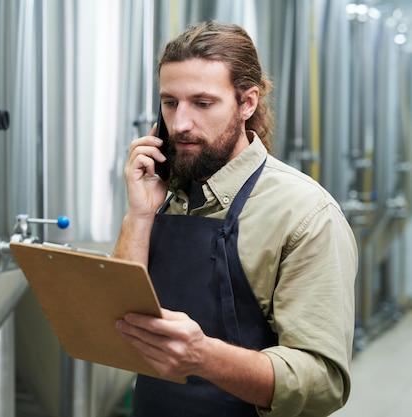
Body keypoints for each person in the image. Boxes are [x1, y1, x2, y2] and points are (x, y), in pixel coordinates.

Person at [113, 21, 358, 417]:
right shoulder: (164, 193)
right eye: (170, 102)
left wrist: (203, 357)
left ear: (247, 103)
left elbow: (323, 384)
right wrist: (139, 214)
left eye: (202, 103)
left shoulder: (305, 214)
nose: (179, 125)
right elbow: (120, 326)